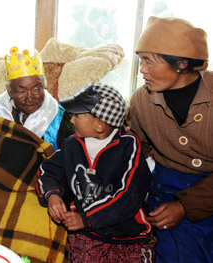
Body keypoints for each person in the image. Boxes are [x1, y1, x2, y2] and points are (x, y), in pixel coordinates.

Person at [37, 83, 153, 262]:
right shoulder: (72, 145)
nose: (72, 120)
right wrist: (52, 195)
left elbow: (128, 196)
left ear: (100, 124)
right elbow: (48, 170)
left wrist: (87, 218)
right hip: (86, 237)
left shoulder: (129, 147)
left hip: (128, 237)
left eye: (77, 115)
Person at [130, 16, 213, 262]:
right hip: (166, 187)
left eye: (148, 61)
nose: (142, 70)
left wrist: (185, 207)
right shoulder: (141, 101)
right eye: (140, 61)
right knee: (173, 250)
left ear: (182, 63)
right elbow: (137, 150)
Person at [0, 46, 73, 149]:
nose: (30, 98)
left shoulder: (57, 115)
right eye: (22, 91)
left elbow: (70, 154)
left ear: (44, 87)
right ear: (10, 92)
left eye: (37, 90)